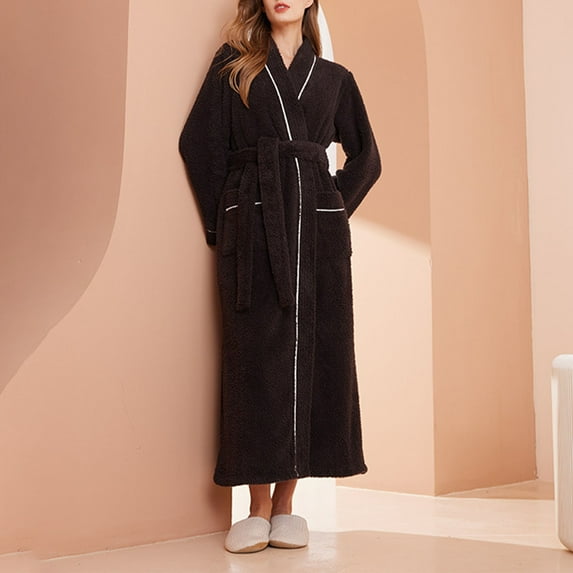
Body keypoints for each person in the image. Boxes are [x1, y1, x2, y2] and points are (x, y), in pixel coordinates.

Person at [178, 0, 381, 554]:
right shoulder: (234, 65)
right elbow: (199, 144)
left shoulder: (335, 79)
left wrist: (332, 208)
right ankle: (256, 507)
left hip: (316, 234)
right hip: (254, 225)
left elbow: (367, 158)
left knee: (311, 352)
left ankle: (288, 506)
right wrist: (226, 219)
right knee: (255, 358)